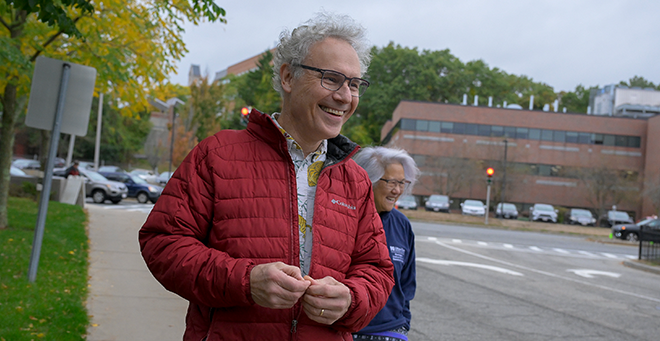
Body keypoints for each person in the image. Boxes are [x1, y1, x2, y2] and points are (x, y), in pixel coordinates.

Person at [139, 12, 394, 341]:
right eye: (331, 78)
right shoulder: (217, 155)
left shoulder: (355, 181)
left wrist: (351, 299)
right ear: (288, 77)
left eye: (355, 84)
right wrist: (244, 281)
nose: (345, 96)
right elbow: (162, 242)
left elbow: (377, 271)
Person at [352, 147, 418, 341]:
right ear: (367, 179)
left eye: (402, 183)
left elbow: (406, 283)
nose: (397, 190)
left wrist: (403, 323)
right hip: (346, 330)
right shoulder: (344, 217)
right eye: (391, 182)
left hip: (390, 330)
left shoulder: (402, 224)